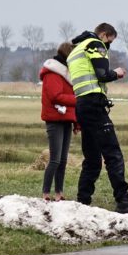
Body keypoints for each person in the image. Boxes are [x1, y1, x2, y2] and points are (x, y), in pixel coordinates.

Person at [67, 23, 128, 214]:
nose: (108, 46)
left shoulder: (76, 49)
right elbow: (102, 75)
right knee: (113, 155)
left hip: (82, 105)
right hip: (94, 104)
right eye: (110, 41)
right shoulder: (95, 44)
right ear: (104, 35)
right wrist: (117, 73)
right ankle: (123, 202)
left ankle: (82, 201)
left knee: (92, 159)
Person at [40, 42, 78, 202]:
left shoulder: (67, 73)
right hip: (54, 120)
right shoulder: (53, 73)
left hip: (66, 120)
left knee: (62, 160)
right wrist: (77, 99)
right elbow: (55, 96)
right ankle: (45, 192)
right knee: (55, 159)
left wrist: (76, 123)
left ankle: (59, 192)